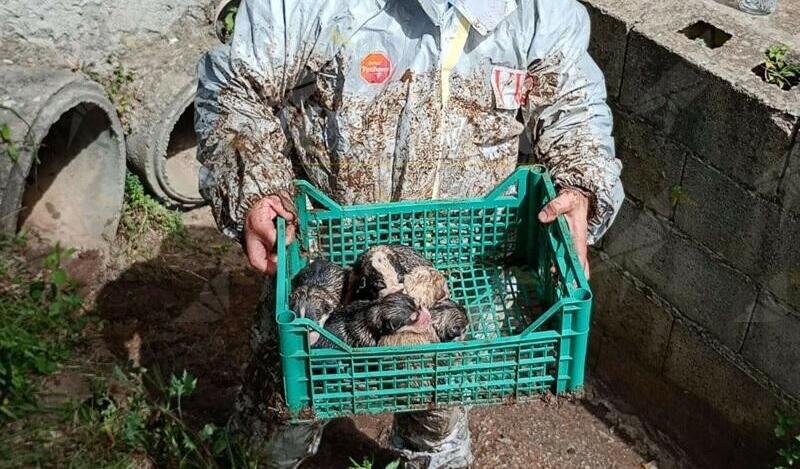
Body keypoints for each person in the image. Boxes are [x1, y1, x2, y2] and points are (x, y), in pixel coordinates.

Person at [195, 0, 624, 467]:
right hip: (329, 267)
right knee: (285, 404)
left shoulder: (537, 11)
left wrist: (580, 181)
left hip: (450, 273)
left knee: (435, 416)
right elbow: (235, 86)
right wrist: (255, 187)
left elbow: (574, 106)